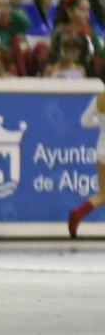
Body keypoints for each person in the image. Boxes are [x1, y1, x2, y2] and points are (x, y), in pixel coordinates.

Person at [67, 84, 105, 237]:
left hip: (102, 151)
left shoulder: (99, 99)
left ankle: (79, 211)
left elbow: (85, 121)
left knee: (103, 193)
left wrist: (100, 123)